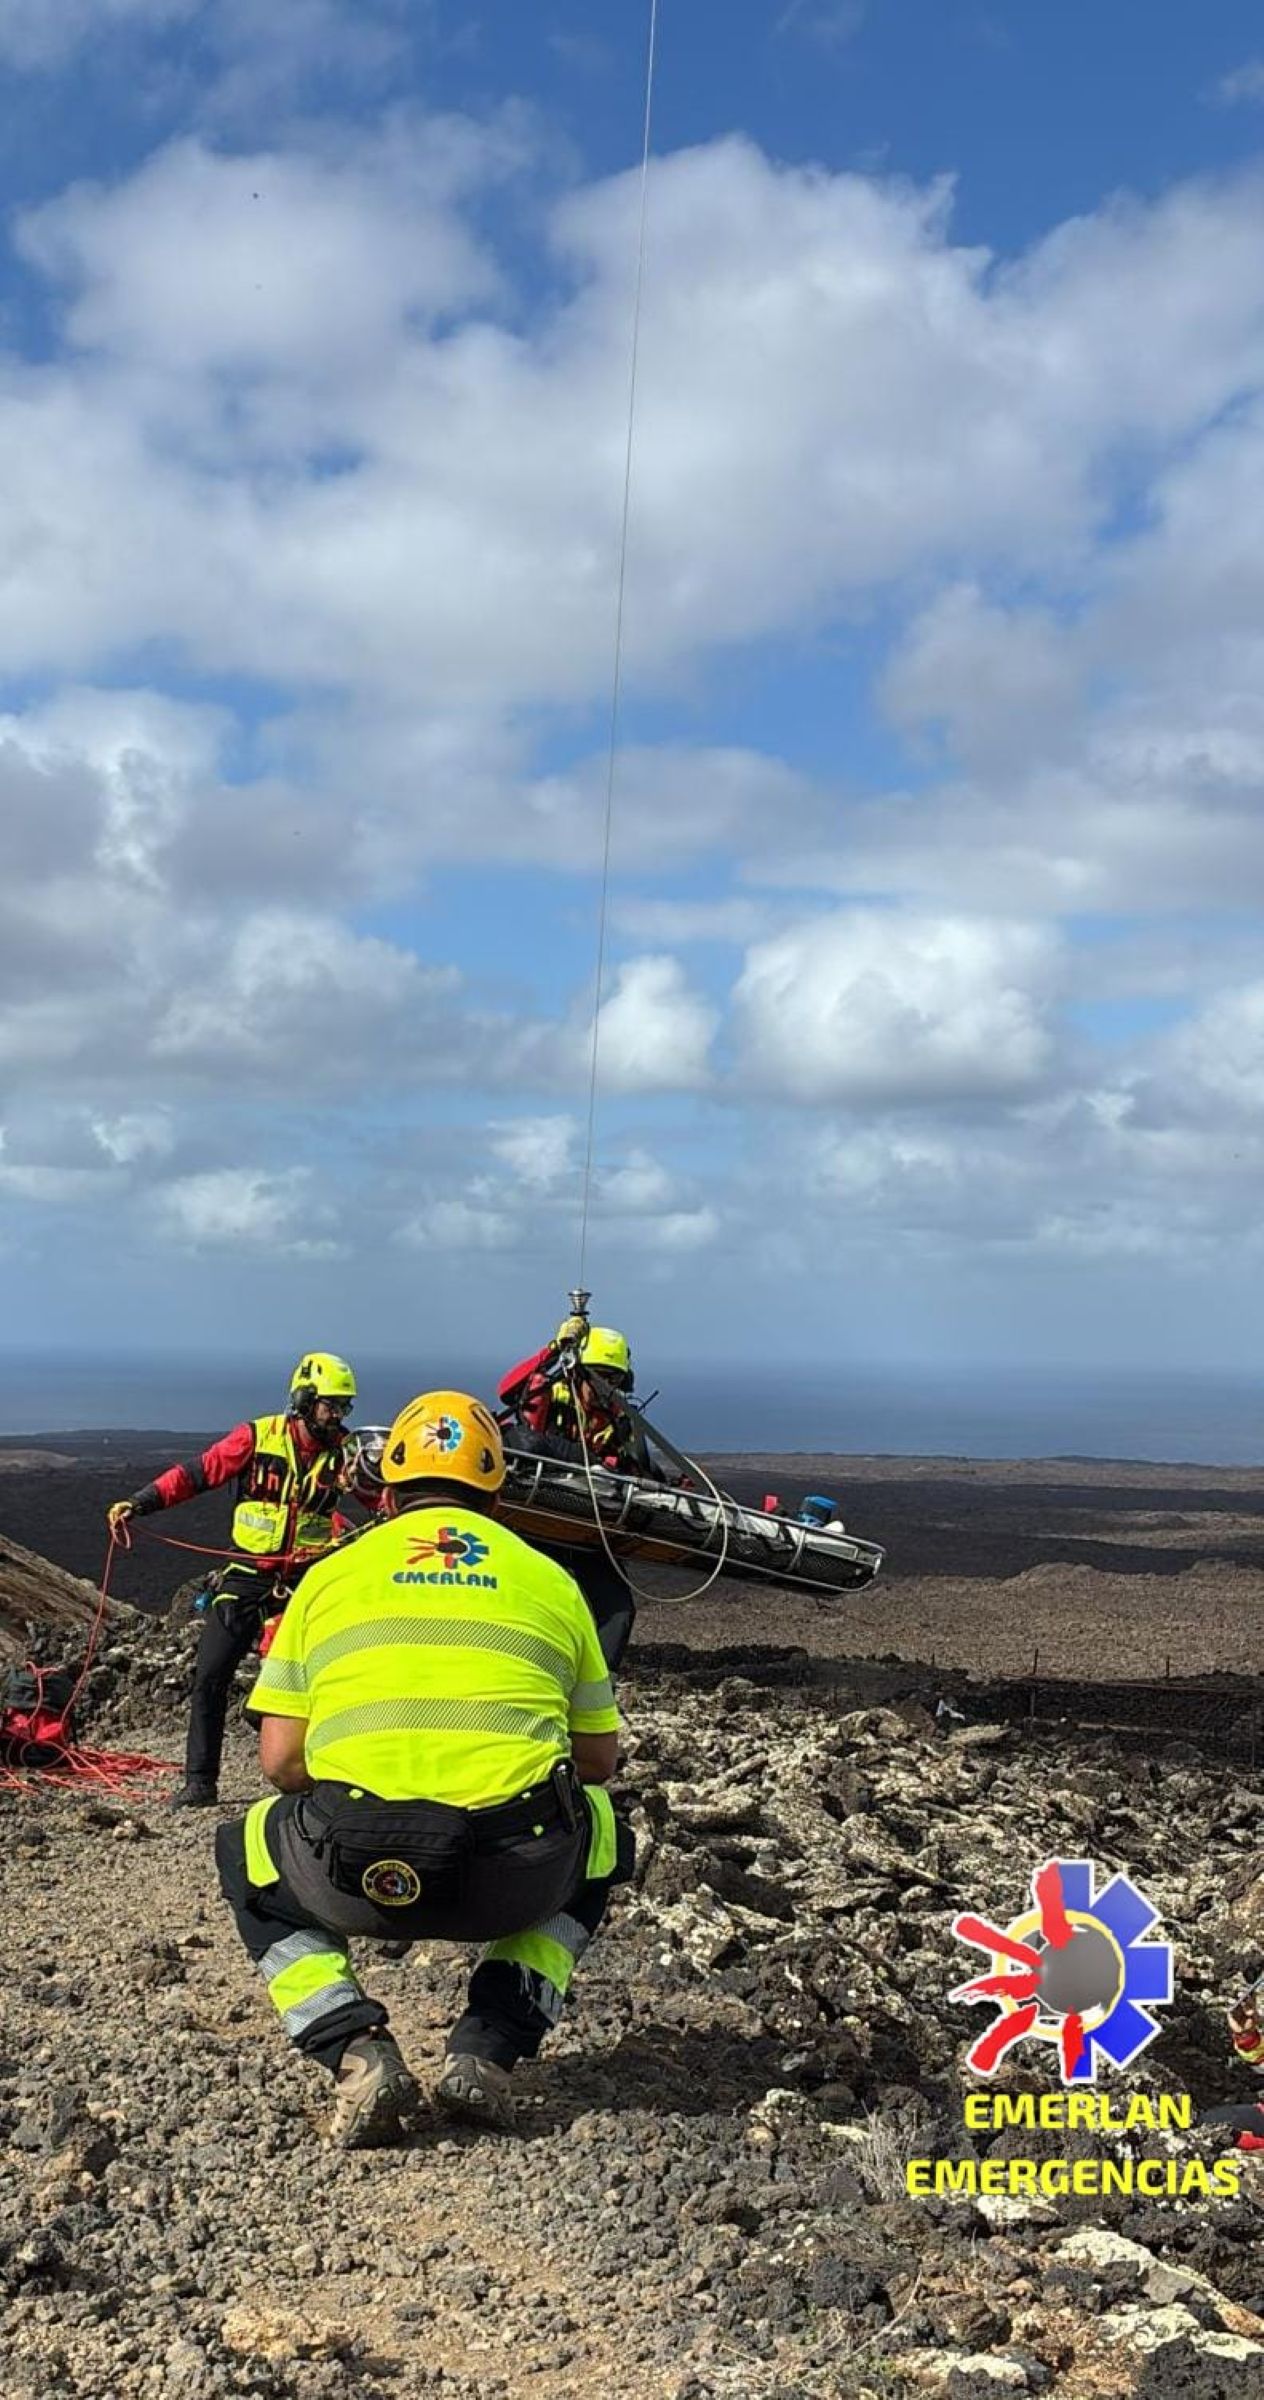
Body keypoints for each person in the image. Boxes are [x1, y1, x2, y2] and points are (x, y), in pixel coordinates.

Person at [213, 1389, 631, 2149]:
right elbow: (598, 1762)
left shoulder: (328, 1577)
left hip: (356, 1874)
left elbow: (280, 1762)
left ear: (388, 1492)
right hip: (513, 1877)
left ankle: (352, 2047)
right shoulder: (553, 1583)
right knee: (602, 1829)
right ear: (497, 1498)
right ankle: (490, 2048)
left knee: (246, 1844)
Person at [106, 1352, 357, 1809]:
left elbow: (383, 1494)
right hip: (246, 1575)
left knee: (319, 1677)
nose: (338, 1415)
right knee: (210, 1674)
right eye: (331, 1405)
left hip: (307, 1578)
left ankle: (313, 1773)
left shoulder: (347, 1454)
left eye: (344, 1406)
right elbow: (196, 1474)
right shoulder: (256, 1438)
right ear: (305, 1400)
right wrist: (139, 1503)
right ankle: (200, 1782)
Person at [496, 1320, 650, 1673]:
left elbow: (634, 1471)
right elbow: (509, 1391)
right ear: (579, 1371)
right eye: (599, 1376)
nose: (605, 1387)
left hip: (586, 1526)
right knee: (533, 1601)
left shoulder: (618, 1422)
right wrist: (554, 1349)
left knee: (618, 1609)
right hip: (535, 1516)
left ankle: (601, 1683)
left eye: (613, 1379)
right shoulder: (549, 1394)